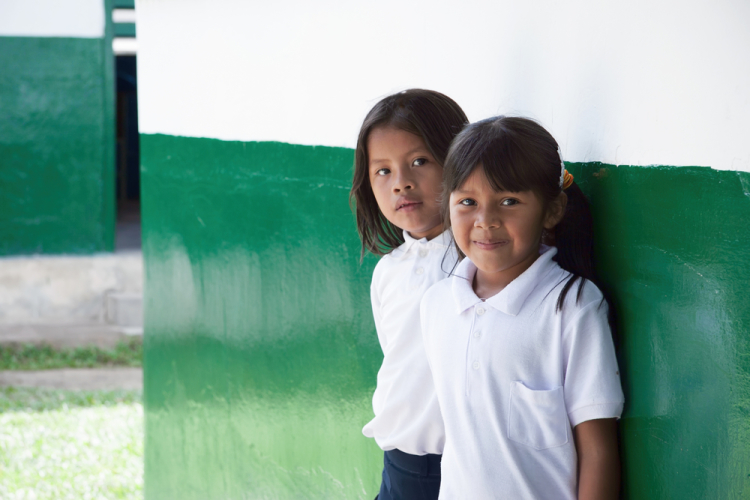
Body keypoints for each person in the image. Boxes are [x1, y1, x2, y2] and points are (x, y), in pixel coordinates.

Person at [420, 116, 624, 499]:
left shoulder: (572, 305)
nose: (486, 221)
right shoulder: (436, 305)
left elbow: (597, 450)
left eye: (509, 201)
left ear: (552, 211)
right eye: (467, 202)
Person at [351, 89, 468, 500]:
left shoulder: (479, 263)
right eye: (383, 171)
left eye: (419, 161)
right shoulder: (388, 271)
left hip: (464, 465)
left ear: (457, 160)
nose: (401, 182)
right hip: (400, 463)